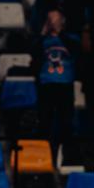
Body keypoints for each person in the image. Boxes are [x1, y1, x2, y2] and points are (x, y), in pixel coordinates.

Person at [35, 8, 80, 145]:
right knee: (45, 120)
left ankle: (66, 151)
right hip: (46, 82)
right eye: (49, 17)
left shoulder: (72, 38)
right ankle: (45, 150)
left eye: (54, 17)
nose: (51, 20)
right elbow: (33, 52)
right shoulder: (43, 39)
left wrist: (60, 33)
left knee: (66, 121)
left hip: (65, 83)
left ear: (62, 20)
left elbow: (75, 49)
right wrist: (42, 34)